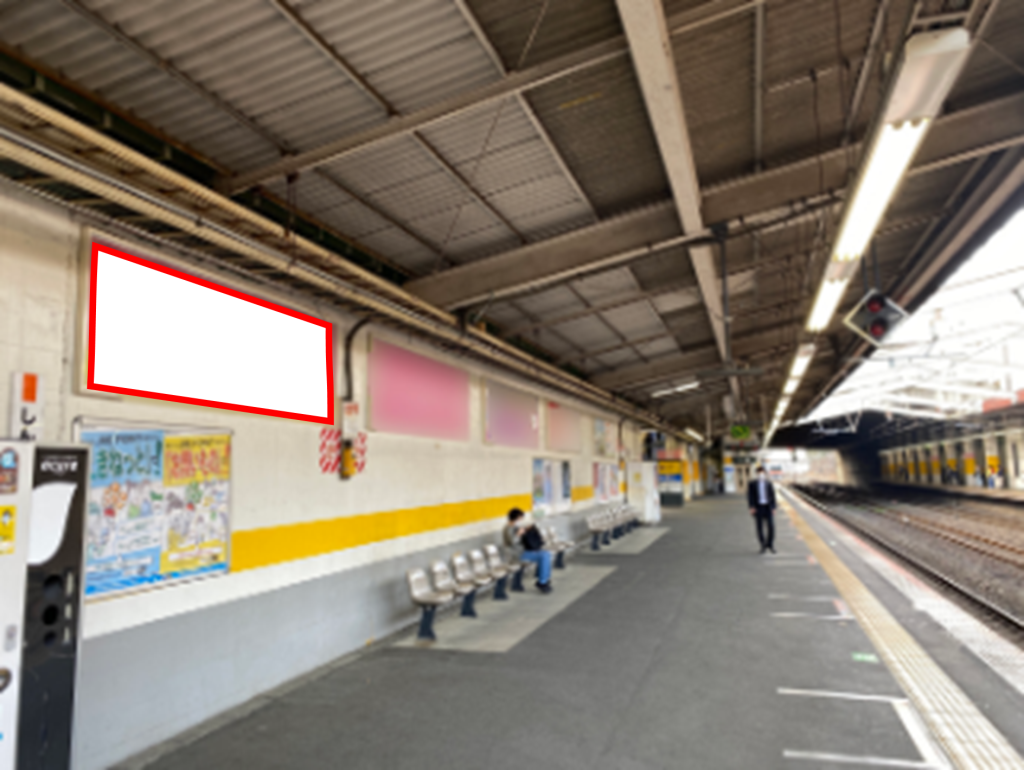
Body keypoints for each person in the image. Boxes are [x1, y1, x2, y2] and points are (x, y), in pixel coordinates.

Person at [503, 508, 552, 593]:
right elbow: (512, 543)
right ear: (514, 518)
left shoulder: (516, 527)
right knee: (543, 556)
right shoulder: (507, 529)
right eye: (519, 519)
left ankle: (543, 579)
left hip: (525, 551)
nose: (520, 521)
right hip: (517, 555)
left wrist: (527, 530)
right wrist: (518, 534)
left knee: (546, 553)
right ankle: (542, 582)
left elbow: (524, 540)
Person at [747, 466, 776, 554]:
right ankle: (763, 545)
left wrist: (773, 507)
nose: (761, 474)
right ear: (756, 474)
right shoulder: (752, 484)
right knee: (759, 527)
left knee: (771, 526)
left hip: (768, 507)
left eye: (762, 473)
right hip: (758, 507)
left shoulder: (768, 483)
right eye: (759, 473)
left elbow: (773, 496)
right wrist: (752, 507)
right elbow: (750, 496)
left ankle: (770, 544)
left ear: (765, 473)